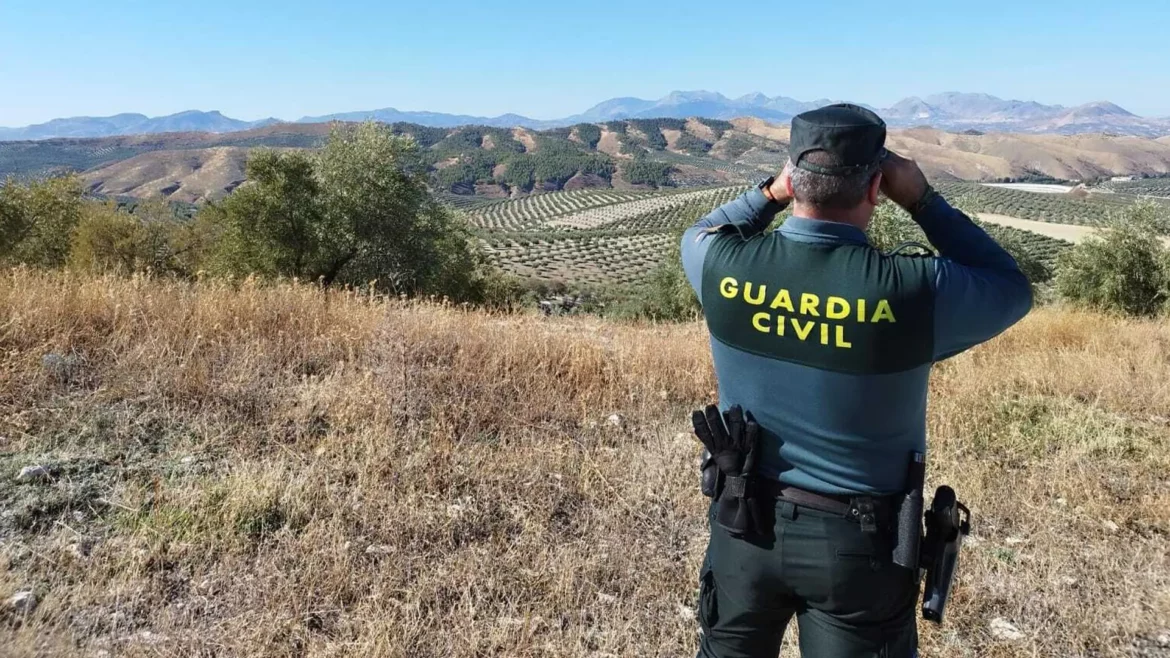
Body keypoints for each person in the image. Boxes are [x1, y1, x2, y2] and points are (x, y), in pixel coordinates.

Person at [680, 104, 1033, 657]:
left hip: (740, 524)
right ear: (877, 187)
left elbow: (700, 231)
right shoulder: (914, 292)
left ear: (794, 178)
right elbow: (1011, 287)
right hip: (858, 546)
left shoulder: (720, 265)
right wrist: (923, 200)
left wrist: (768, 195)